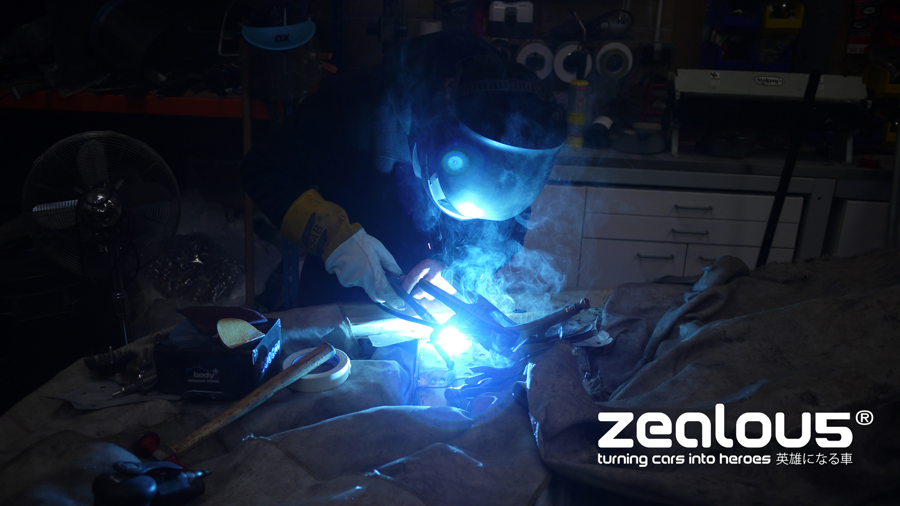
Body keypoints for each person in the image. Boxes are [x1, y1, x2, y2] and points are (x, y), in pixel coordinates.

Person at [241, 30, 566, 308]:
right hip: (344, 299)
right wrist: (336, 238)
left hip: (434, 304)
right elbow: (262, 170)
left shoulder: (506, 120)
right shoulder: (349, 105)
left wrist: (453, 266)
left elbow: (506, 224)